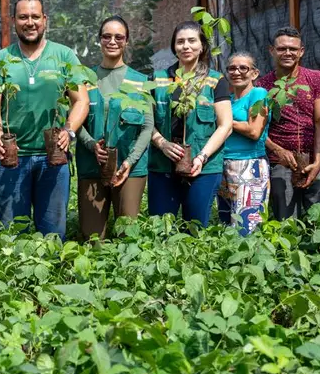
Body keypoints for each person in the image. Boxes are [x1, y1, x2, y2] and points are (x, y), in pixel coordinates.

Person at [0, 0, 90, 240]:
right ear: (13, 21)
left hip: (52, 158)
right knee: (10, 235)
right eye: (23, 17)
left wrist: (68, 130)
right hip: (11, 158)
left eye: (34, 16)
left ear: (45, 19)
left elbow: (81, 100)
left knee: (53, 234)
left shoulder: (64, 56)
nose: (29, 22)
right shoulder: (2, 59)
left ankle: (50, 276)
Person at [148, 21, 233, 226]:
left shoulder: (215, 80)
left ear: (202, 46)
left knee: (195, 228)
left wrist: (202, 156)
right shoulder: (158, 79)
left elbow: (225, 125)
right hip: (162, 166)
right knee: (159, 228)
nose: (186, 46)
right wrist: (162, 144)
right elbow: (146, 122)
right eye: (180, 42)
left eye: (192, 41)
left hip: (202, 168)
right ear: (174, 47)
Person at [75, 16, 152, 240]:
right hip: (92, 166)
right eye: (106, 36)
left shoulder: (139, 80)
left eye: (119, 37)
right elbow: (74, 121)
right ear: (99, 40)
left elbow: (147, 127)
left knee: (127, 235)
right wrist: (91, 145)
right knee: (92, 238)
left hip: (130, 169)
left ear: (126, 41)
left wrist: (129, 162)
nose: (112, 41)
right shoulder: (84, 78)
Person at [257, 27, 320, 220]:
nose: (288, 53)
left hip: (314, 159)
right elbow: (257, 129)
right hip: (280, 162)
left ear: (301, 51)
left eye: (293, 49)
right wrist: (278, 150)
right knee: (286, 221)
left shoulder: (316, 79)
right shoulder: (262, 86)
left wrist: (317, 160)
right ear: (271, 51)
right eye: (282, 48)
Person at [217, 52, 270, 235]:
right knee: (226, 223)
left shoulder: (258, 94)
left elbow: (255, 131)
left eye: (243, 68)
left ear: (254, 73)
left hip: (250, 166)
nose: (237, 72)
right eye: (232, 68)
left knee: (246, 227)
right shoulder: (229, 101)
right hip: (224, 165)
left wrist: (224, 121)